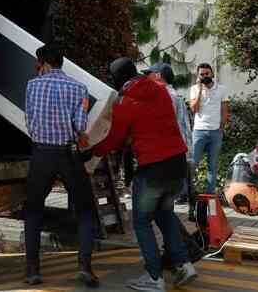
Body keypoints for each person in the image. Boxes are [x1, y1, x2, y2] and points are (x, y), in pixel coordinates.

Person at [92, 57, 197, 291]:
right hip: (177, 163)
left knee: (141, 221)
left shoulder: (126, 102)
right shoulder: (160, 91)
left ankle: (154, 277)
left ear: (118, 78)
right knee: (165, 214)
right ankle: (184, 265)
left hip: (154, 168)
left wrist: (91, 151)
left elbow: (115, 139)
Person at [22, 44, 98, 287]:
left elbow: (29, 121)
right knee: (85, 211)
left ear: (43, 63)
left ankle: (32, 271)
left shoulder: (32, 86)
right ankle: (85, 267)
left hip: (42, 153)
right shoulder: (79, 88)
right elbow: (80, 126)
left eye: (38, 64)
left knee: (33, 210)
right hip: (69, 155)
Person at [144, 63, 193, 199]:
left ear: (158, 75)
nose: (147, 78)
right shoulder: (175, 95)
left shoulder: (163, 95)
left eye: (149, 74)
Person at [189, 63, 230, 194]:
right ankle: (187, 193)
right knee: (193, 163)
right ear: (198, 76)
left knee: (212, 165)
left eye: (207, 73)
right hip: (199, 131)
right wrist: (200, 90)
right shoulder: (194, 89)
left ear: (212, 73)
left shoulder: (221, 89)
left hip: (215, 132)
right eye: (202, 74)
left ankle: (210, 194)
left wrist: (221, 128)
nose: (205, 76)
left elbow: (225, 110)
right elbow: (194, 109)